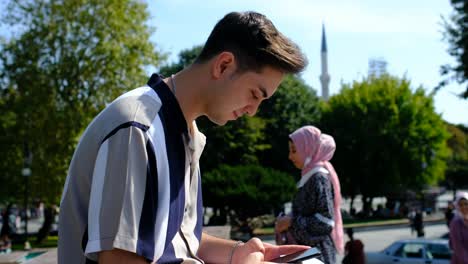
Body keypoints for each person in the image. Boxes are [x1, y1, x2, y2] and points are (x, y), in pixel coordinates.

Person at [58, 11, 310, 264]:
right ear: (223, 65)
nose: (253, 110)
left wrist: (238, 253)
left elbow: (179, 240)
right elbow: (119, 259)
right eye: (255, 94)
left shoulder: (187, 133)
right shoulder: (138, 127)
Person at [275, 125, 344, 264]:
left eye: (294, 150)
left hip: (316, 257)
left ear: (309, 149)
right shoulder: (309, 176)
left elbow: (325, 222)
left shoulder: (318, 177)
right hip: (308, 255)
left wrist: (291, 222)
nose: (290, 156)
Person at [449, 192, 468, 264]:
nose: (464, 207)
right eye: (461, 205)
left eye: (466, 204)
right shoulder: (456, 223)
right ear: (457, 206)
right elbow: (458, 248)